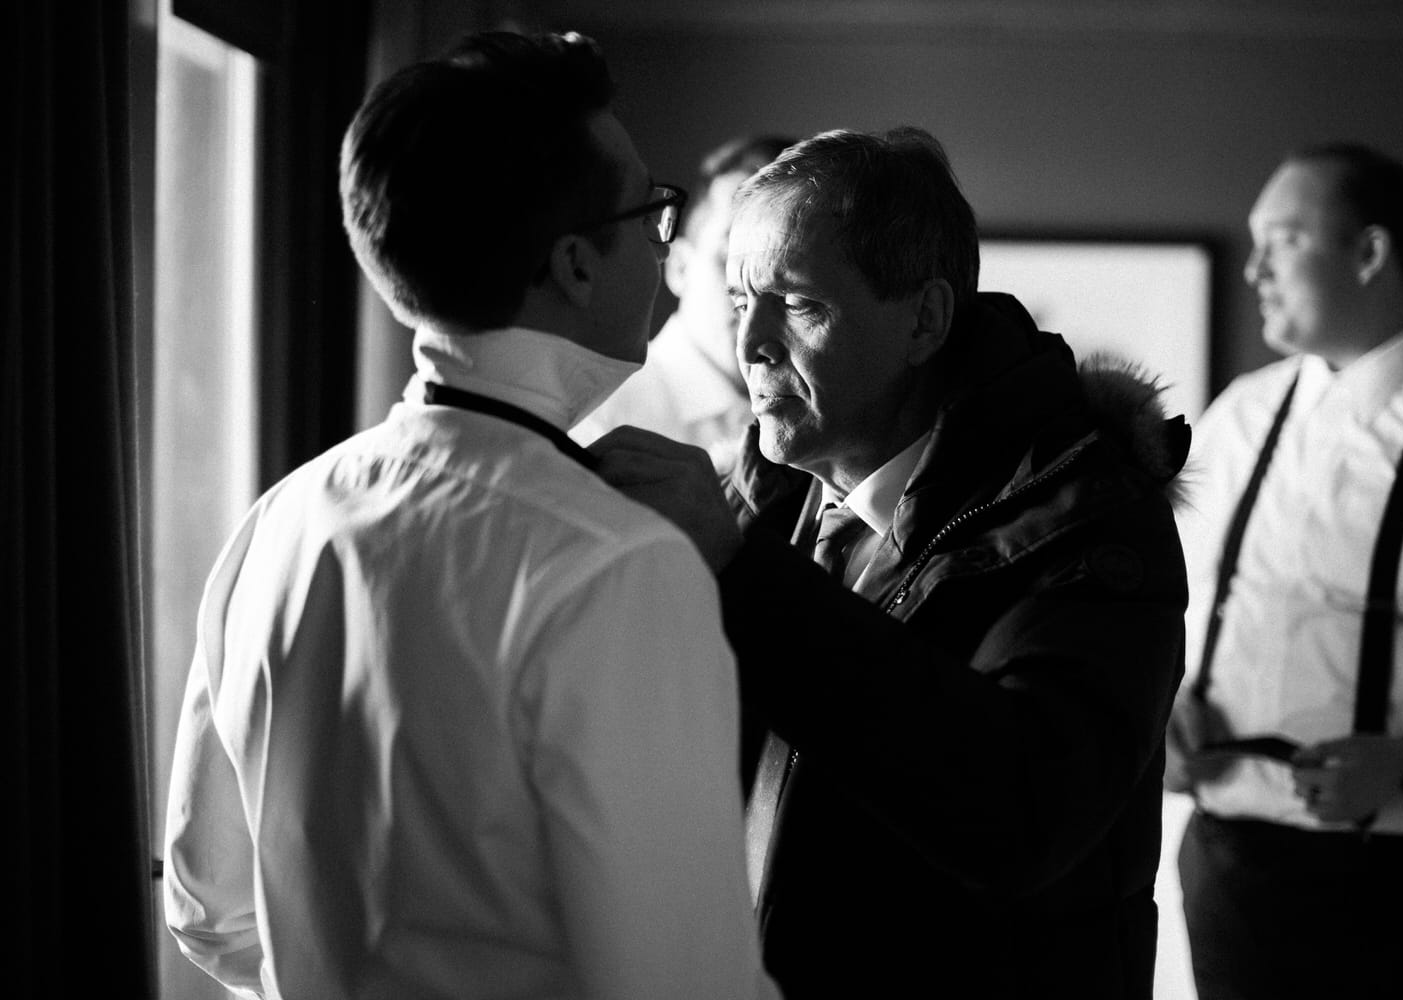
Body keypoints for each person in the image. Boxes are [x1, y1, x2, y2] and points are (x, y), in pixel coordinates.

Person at [161, 30, 778, 1000]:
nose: (664, 251)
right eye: (655, 214)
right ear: (577, 264)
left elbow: (210, 911)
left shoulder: (279, 520)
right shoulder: (619, 562)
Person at [592, 126, 1189, 998]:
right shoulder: (765, 493)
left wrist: (739, 566)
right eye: (737, 299)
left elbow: (1020, 812)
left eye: (797, 305)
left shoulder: (1091, 520)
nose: (748, 343)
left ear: (925, 318)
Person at [1165, 142, 1403, 1000]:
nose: (1252, 271)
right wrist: (1164, 707)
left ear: (1370, 252)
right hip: (1231, 866)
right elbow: (1179, 606)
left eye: (1282, 241)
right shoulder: (1238, 415)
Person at [573, 133, 798, 473]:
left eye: (787, 266)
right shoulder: (603, 416)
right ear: (679, 268)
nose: (761, 288)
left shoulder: (831, 412)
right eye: (732, 259)